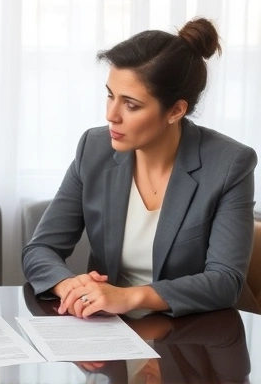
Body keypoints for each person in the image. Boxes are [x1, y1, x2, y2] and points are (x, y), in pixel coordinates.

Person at [22, 18, 258, 318]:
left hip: (192, 337)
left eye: (131, 105)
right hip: (108, 333)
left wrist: (131, 297)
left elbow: (225, 281)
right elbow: (40, 248)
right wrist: (68, 284)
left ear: (175, 111)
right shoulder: (94, 149)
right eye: (110, 95)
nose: (111, 115)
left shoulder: (229, 164)